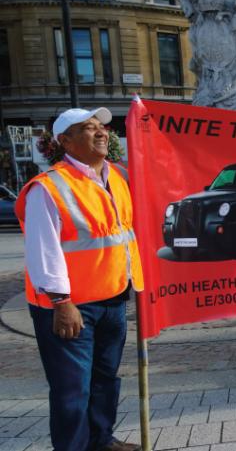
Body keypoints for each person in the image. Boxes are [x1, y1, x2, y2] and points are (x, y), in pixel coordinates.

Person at [14, 108, 144, 451]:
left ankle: (101, 440)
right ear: (65, 141)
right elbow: (44, 252)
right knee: (73, 389)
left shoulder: (116, 176)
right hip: (70, 306)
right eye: (88, 128)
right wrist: (62, 302)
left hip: (113, 298)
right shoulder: (49, 187)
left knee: (105, 380)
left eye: (102, 127)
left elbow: (124, 235)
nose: (101, 132)